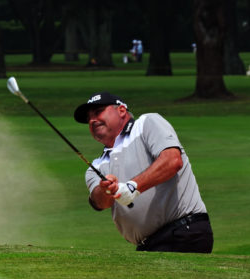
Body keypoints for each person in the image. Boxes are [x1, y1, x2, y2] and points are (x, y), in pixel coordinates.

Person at [73, 92, 214, 253]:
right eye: (88, 118)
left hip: (183, 230)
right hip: (148, 245)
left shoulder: (146, 124)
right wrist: (106, 189)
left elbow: (172, 161)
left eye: (98, 112)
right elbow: (100, 203)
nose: (92, 120)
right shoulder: (96, 167)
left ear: (121, 110)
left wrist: (133, 187)